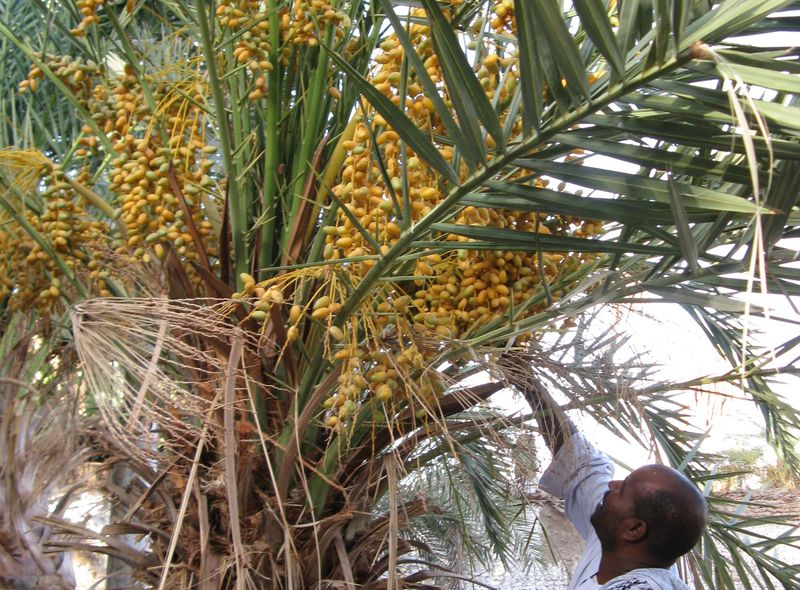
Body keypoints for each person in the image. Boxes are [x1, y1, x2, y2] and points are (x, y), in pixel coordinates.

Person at [513, 374, 708, 590]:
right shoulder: (616, 545)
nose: (611, 484)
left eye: (623, 489)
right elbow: (578, 460)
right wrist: (526, 379)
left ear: (634, 529)